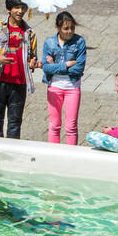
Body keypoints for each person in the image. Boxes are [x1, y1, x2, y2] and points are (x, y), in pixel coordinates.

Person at [0, 0, 39, 139]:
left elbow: (32, 57)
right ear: (9, 9)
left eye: (23, 8)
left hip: (19, 84)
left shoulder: (30, 32)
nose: (20, 11)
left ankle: (11, 156)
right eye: (16, 7)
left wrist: (33, 63)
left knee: (15, 124)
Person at [42, 11, 86, 146]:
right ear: (58, 28)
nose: (69, 31)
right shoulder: (49, 43)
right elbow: (45, 68)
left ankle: (71, 155)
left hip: (72, 87)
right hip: (54, 87)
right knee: (54, 125)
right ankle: (53, 153)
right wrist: (66, 64)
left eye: (72, 28)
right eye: (66, 28)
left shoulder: (79, 41)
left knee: (71, 126)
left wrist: (55, 65)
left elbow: (79, 68)